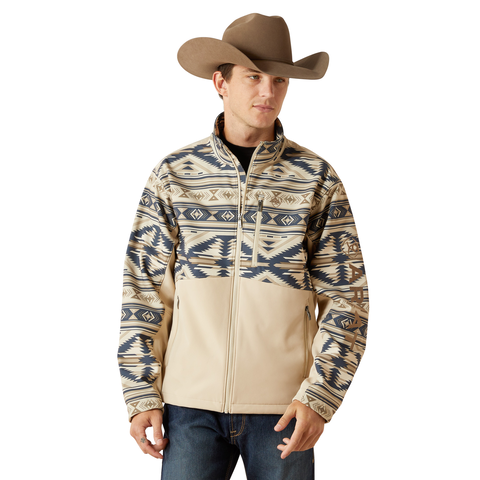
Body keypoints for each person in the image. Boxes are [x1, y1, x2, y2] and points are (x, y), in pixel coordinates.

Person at [118, 13, 369, 480]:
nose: (268, 92)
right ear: (221, 83)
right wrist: (141, 393)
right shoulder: (174, 175)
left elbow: (347, 298)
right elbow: (144, 290)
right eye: (253, 77)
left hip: (285, 410)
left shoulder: (316, 178)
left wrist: (320, 397)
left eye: (279, 80)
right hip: (188, 408)